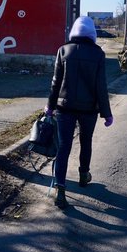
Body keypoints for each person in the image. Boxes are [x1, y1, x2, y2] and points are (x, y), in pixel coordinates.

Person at [45, 16, 113, 209]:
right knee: (86, 141)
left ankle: (60, 188)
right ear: (91, 33)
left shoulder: (63, 50)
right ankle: (84, 175)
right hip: (88, 109)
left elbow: (55, 82)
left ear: (74, 31)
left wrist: (50, 106)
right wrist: (106, 113)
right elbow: (101, 86)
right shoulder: (98, 54)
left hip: (64, 108)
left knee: (64, 146)